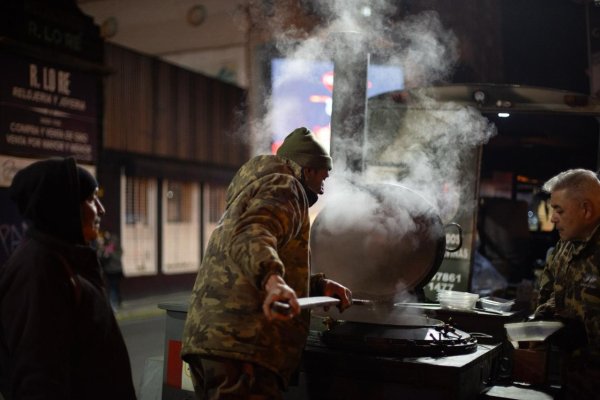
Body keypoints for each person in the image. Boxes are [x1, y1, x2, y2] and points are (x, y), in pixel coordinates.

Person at [181, 127, 353, 399]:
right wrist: (273, 282)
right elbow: (254, 235)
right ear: (306, 169)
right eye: (323, 170)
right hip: (245, 346)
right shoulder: (287, 186)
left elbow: (247, 255)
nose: (327, 178)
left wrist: (316, 285)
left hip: (214, 341)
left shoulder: (256, 190)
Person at [0, 157, 136, 400]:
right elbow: (38, 380)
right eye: (92, 199)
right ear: (64, 206)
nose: (101, 209)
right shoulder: (38, 269)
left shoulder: (63, 259)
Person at [533, 168, 600, 398]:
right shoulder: (565, 245)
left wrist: (588, 338)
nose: (552, 218)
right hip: (570, 381)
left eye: (559, 210)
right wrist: (544, 320)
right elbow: (550, 291)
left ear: (586, 209)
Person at [97, 231, 125, 310]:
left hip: (114, 270)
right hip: (110, 271)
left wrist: (108, 253)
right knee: (114, 286)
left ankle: (114, 303)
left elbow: (116, 257)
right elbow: (103, 258)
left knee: (114, 286)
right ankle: (117, 301)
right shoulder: (107, 247)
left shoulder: (113, 248)